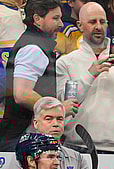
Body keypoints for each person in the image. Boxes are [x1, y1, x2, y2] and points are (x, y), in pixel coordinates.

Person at [56, 1, 114, 154]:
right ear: (80, 25)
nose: (98, 26)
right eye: (92, 22)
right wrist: (90, 74)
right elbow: (66, 105)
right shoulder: (66, 62)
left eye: (102, 22)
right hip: (78, 147)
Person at [0, 0, 68, 151]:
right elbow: (22, 94)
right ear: (37, 19)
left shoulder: (37, 44)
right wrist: (58, 109)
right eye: (55, 18)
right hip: (21, 139)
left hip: (23, 138)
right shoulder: (33, 48)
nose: (61, 24)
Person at [31, 96, 99, 169]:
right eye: (48, 119)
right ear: (36, 123)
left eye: (60, 119)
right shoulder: (25, 156)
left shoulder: (76, 158)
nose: (55, 124)